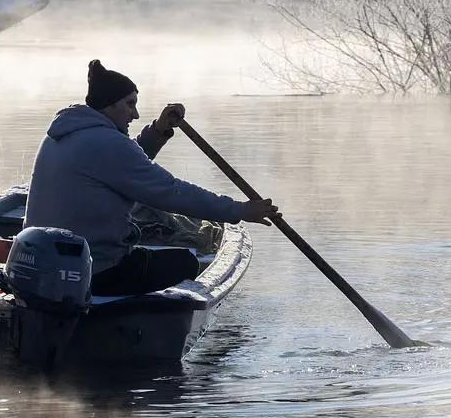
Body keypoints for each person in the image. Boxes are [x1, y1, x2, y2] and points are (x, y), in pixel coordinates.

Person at [25, 59, 281, 296]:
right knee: (185, 263)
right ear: (109, 104)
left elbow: (121, 165)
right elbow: (169, 191)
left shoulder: (65, 132)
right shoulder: (107, 143)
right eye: (130, 104)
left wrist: (158, 131)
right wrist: (238, 209)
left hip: (45, 266)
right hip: (96, 271)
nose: (135, 114)